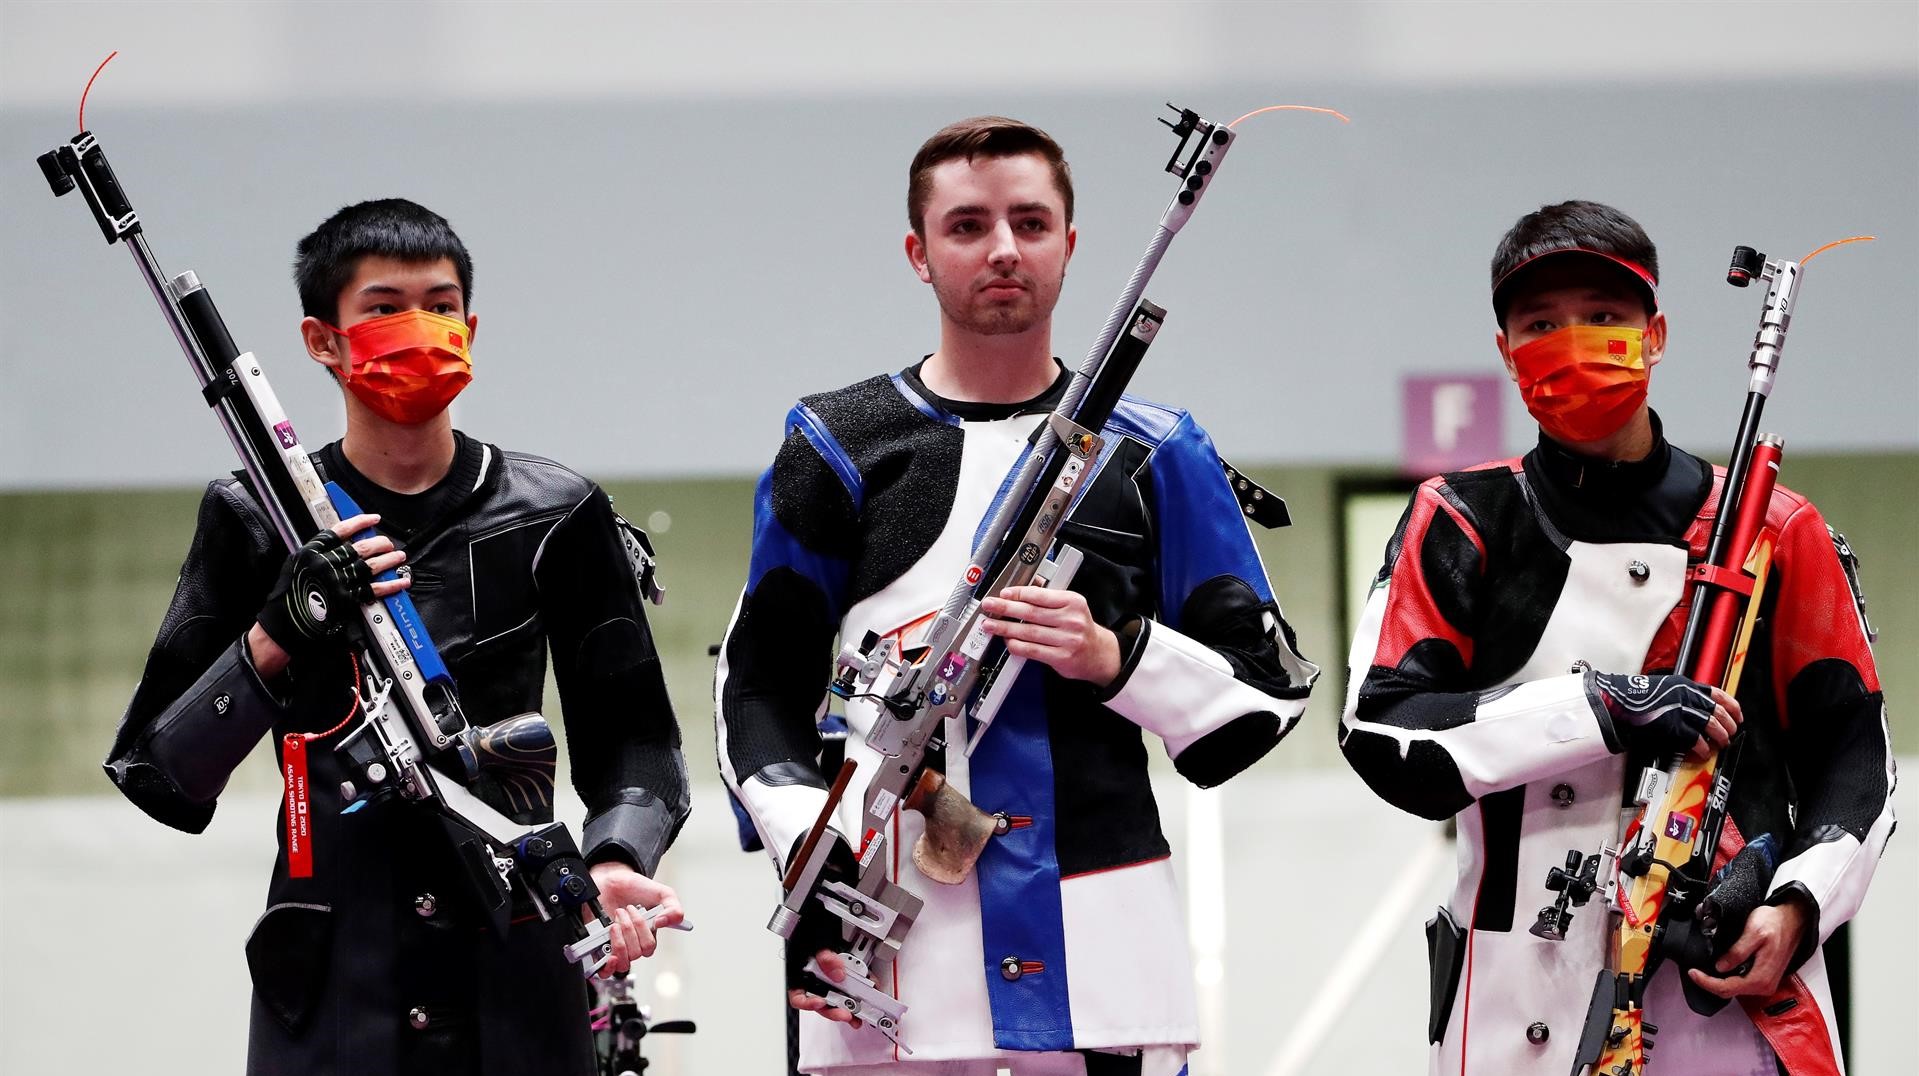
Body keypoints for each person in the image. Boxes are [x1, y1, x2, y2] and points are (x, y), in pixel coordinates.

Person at [716, 115, 1319, 1076]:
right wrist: (815, 846)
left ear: (1070, 246)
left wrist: (1115, 658)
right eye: (967, 226)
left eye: (1030, 223)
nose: (1002, 249)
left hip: (1102, 949)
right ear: (918, 253)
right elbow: (756, 686)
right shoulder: (837, 441)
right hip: (882, 945)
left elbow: (1267, 694)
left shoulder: (1157, 449)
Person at [104, 199, 691, 1076]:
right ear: (322, 340)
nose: (418, 327)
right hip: (332, 981)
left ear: (472, 326)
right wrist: (279, 630)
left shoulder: (556, 511)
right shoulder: (255, 518)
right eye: (382, 309)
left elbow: (638, 743)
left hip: (519, 956)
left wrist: (610, 859)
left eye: (440, 305)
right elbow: (160, 775)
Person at [1339, 200, 1894, 1074]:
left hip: (1726, 1003)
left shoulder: (1774, 529)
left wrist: (1795, 906)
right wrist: (1595, 707)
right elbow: (1381, 732)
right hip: (1510, 1005)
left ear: (1655, 333)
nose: (1575, 340)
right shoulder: (1459, 517)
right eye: (1541, 324)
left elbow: (1857, 761)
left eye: (1603, 318)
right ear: (1504, 352)